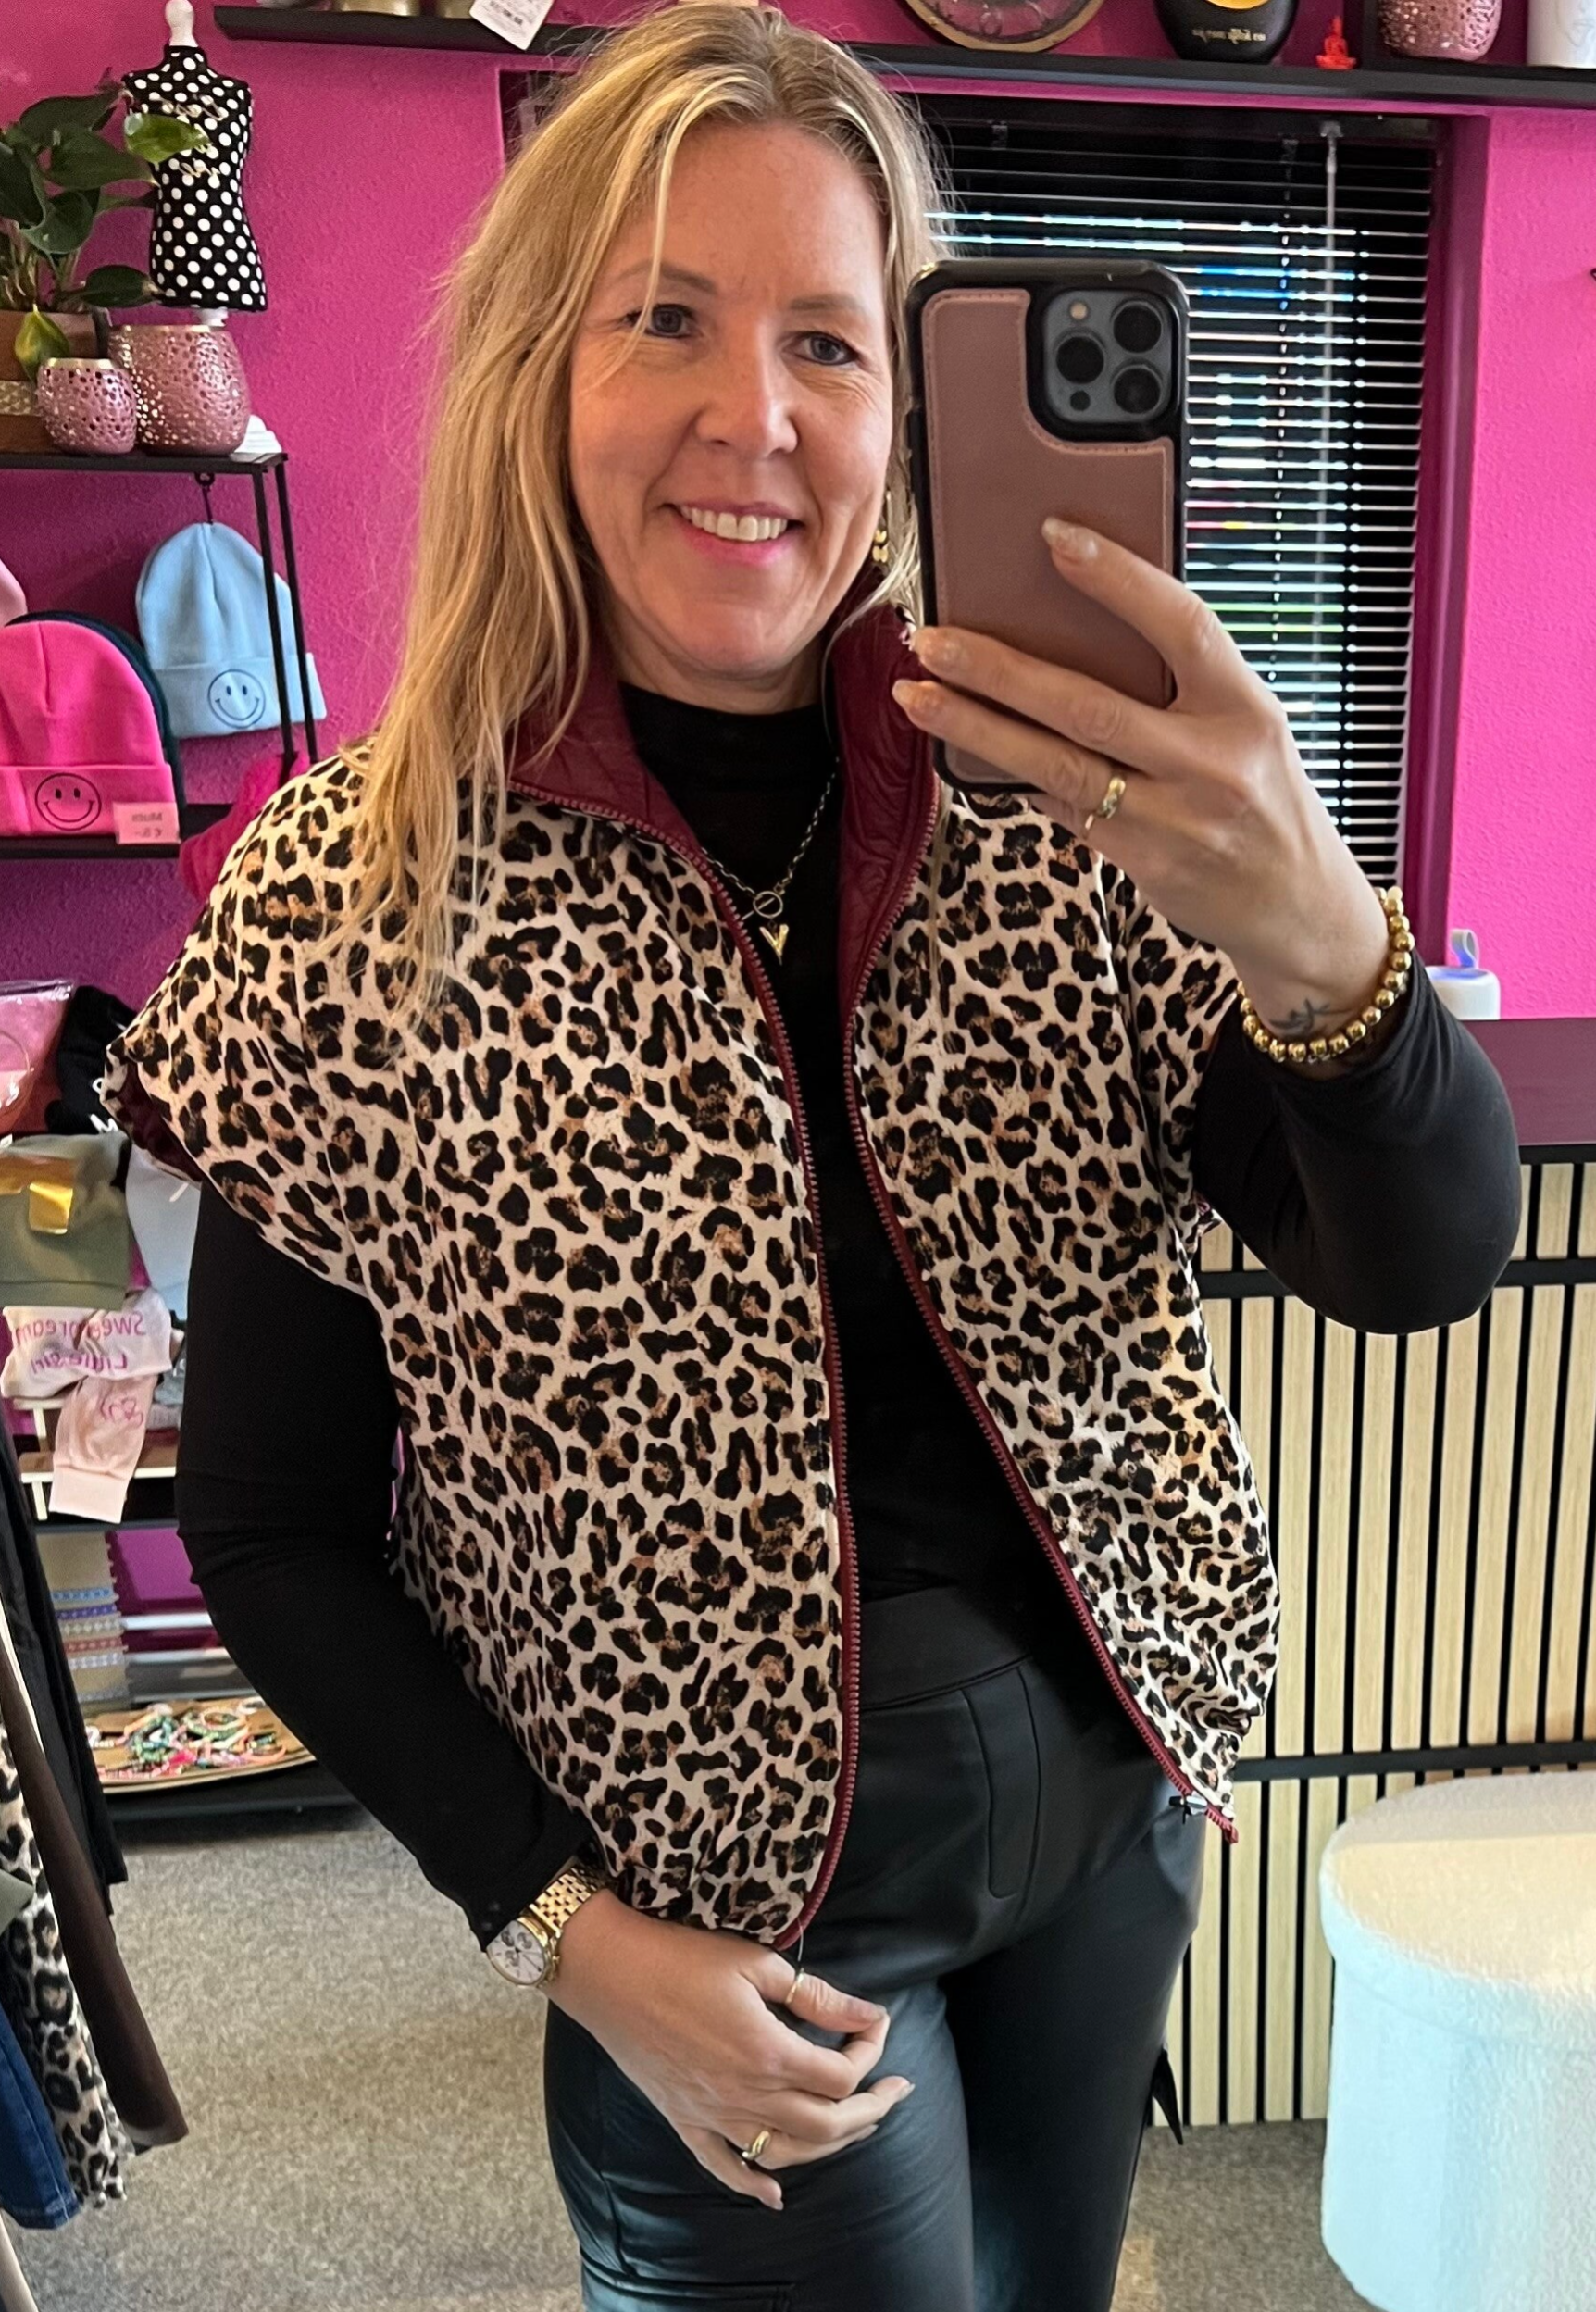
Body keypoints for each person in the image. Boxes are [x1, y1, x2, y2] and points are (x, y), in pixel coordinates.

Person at [102, 7, 1523, 2306]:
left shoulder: (1067, 809)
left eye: (828, 344)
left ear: (904, 407)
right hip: (711, 1915)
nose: (750, 416)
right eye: (664, 318)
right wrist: (564, 1935)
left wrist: (1313, 929)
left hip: (1105, 1813)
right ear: (540, 373)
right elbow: (268, 1528)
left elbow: (1420, 1263)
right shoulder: (359, 899)